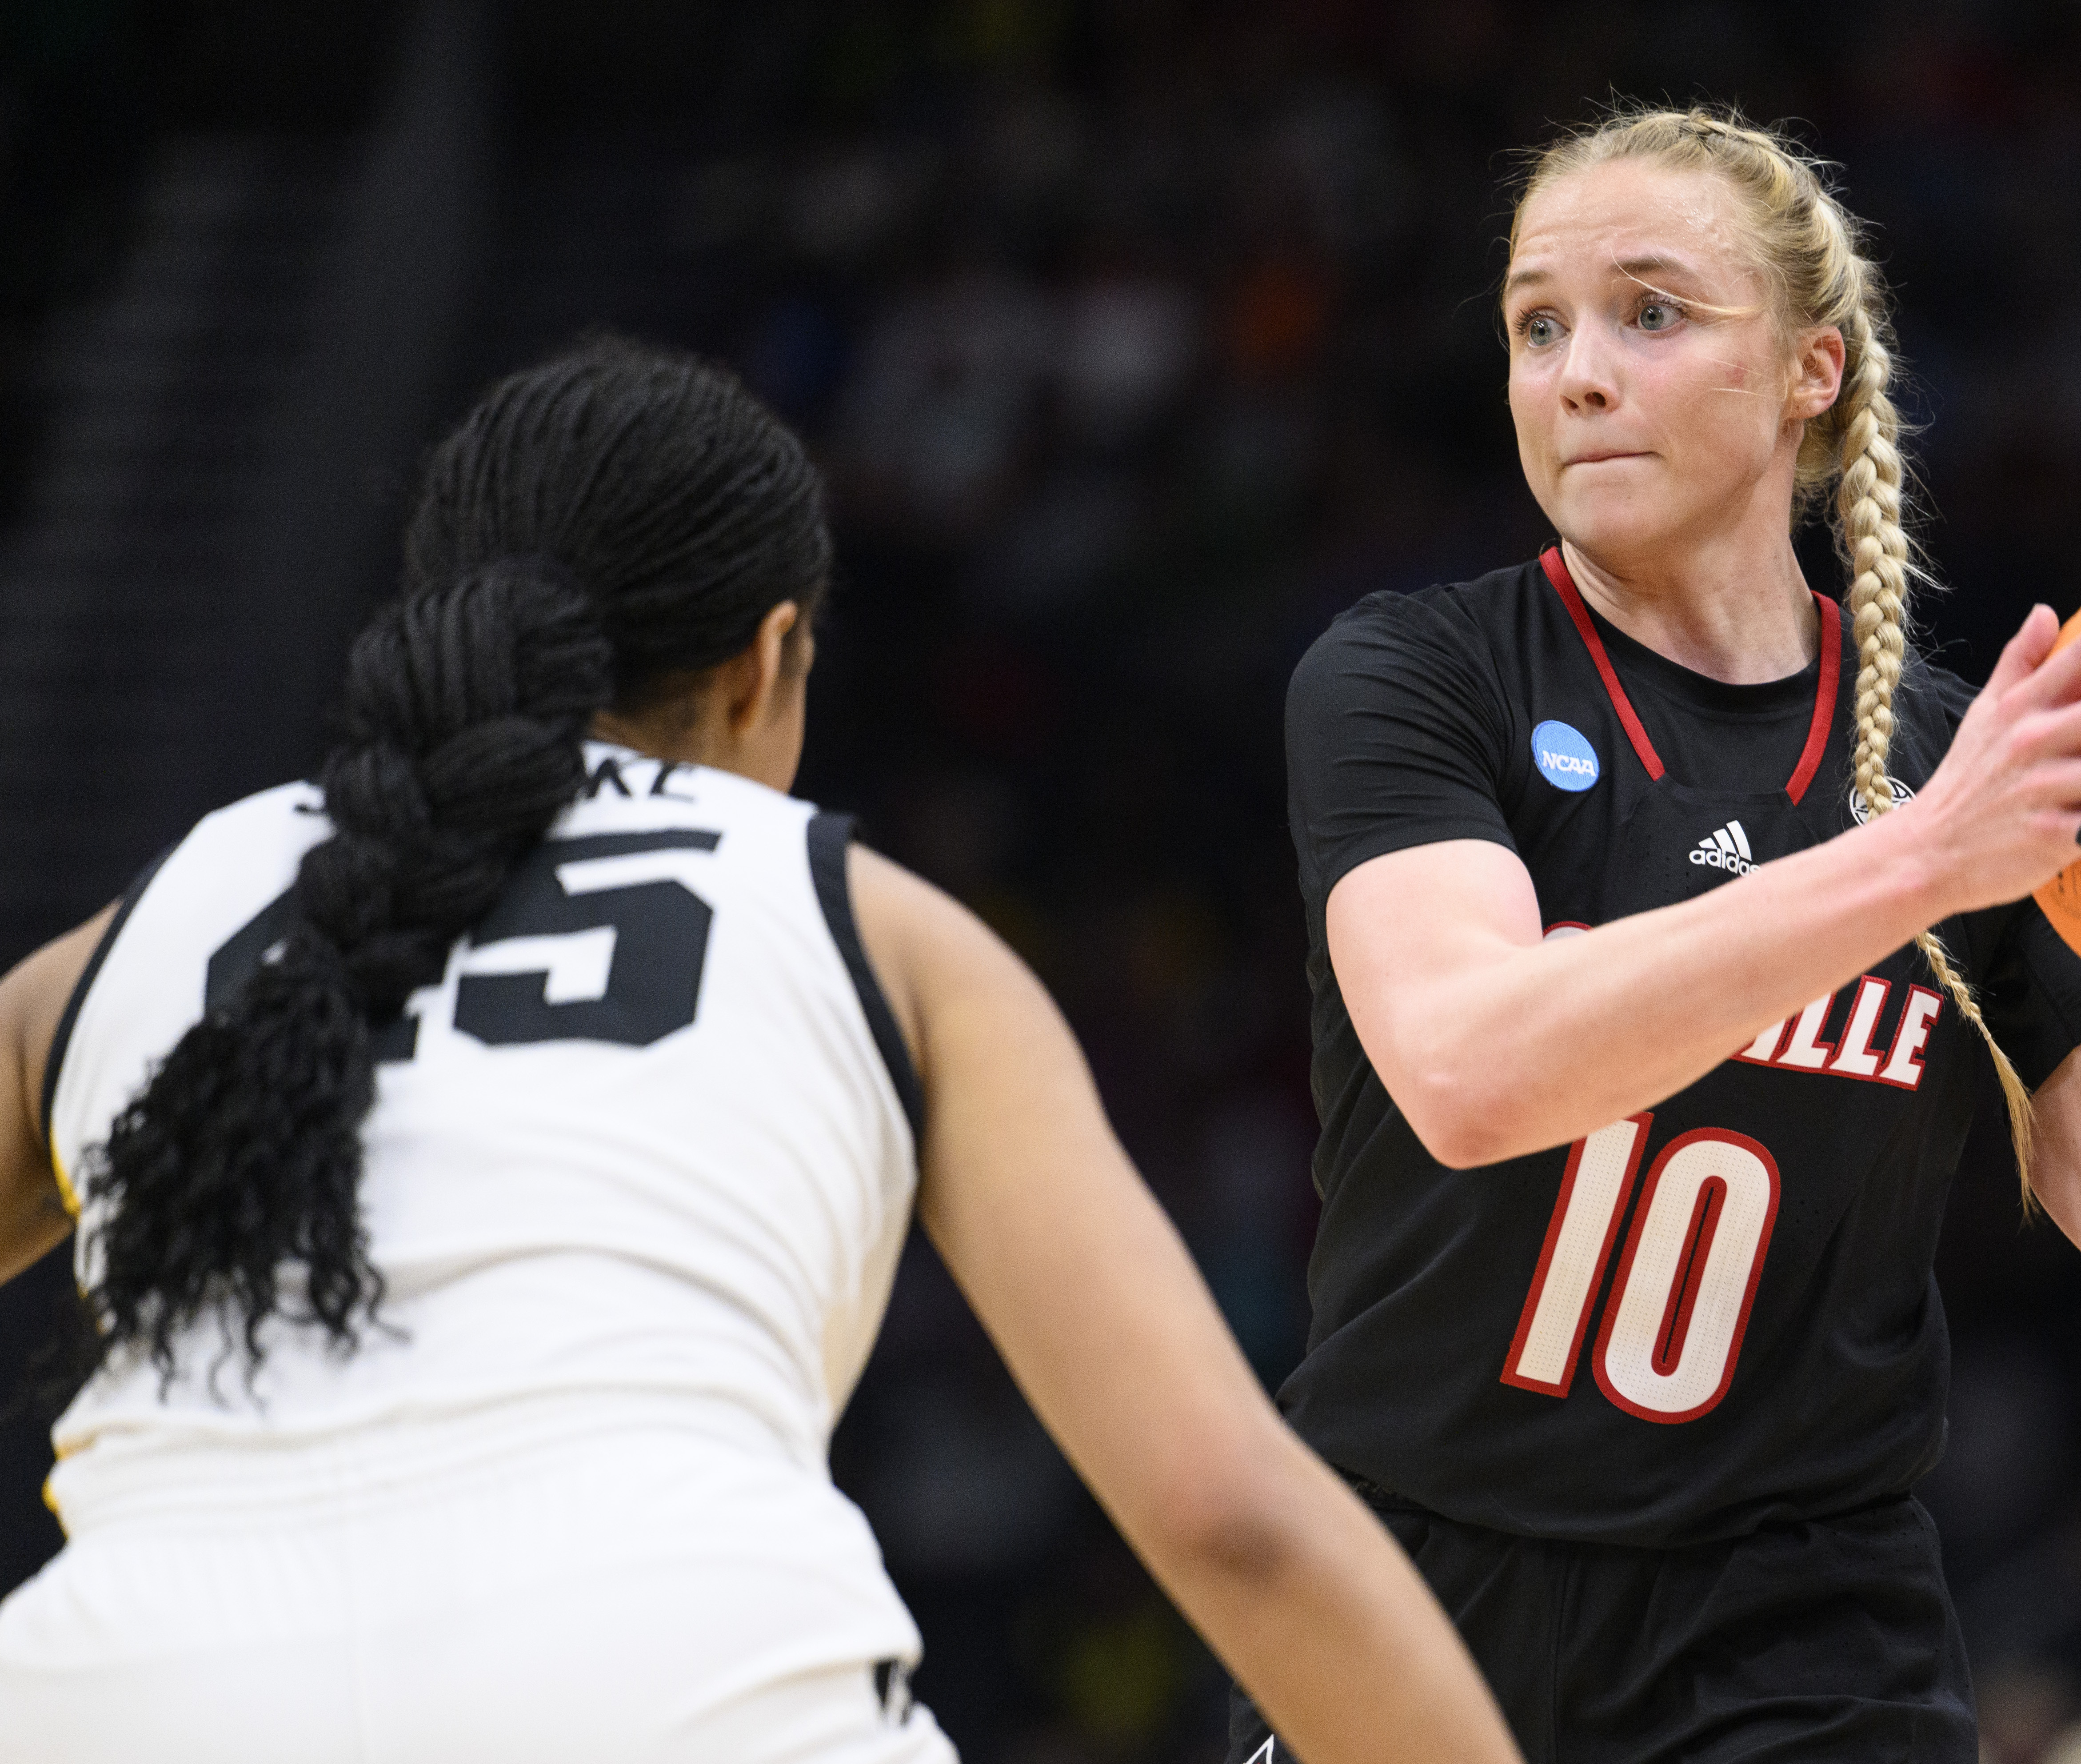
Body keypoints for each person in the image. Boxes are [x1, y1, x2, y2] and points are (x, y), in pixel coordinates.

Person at [0, 340, 1523, 1764]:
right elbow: (1225, 1512)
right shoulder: (881, 930)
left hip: (113, 1696)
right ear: (766, 661)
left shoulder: (143, 925)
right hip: (685, 1681)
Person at [1229, 105, 2081, 1763]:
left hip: (1799, 1650)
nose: (1576, 371)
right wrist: (1919, 861)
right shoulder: (1416, 678)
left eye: (1649, 311)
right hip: (1411, 1605)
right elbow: (1471, 1071)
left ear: (1809, 374)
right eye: (1534, 324)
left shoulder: (1973, 772)